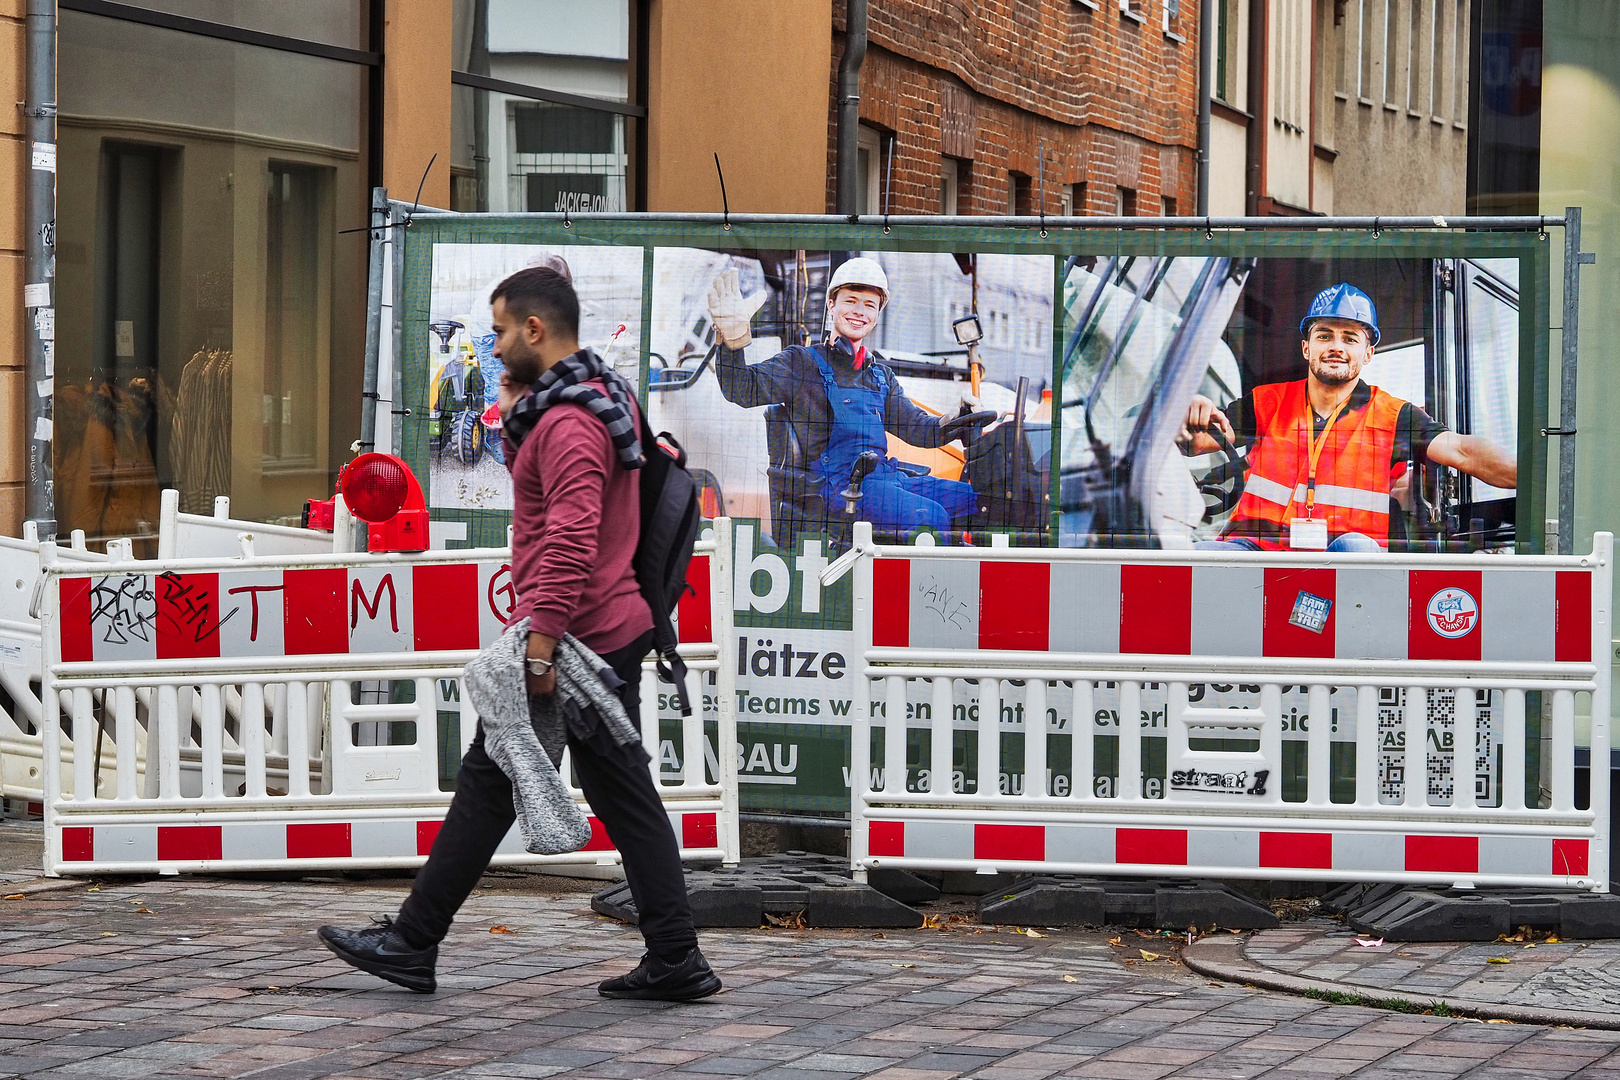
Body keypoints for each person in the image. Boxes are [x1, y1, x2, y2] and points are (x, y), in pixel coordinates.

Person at [318, 267, 720, 1002]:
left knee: (519, 782)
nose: (495, 347)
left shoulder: (568, 423)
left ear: (536, 330)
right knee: (521, 783)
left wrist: (541, 645)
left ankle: (417, 941)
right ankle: (669, 957)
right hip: (600, 629)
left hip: (579, 639)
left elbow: (569, 539)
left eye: (503, 330)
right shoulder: (597, 396)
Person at [1180, 282, 1517, 552]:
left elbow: (1462, 451)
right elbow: (1195, 442)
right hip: (1257, 549)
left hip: (1346, 555)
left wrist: (1536, 478)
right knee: (1203, 557)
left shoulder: (1394, 415)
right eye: (1324, 335)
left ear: (1367, 353)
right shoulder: (1267, 402)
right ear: (1306, 348)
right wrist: (1188, 407)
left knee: (1356, 548)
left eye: (1350, 338)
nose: (1336, 346)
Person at [706, 256, 991, 535]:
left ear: (877, 315)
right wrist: (732, 342)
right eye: (850, 301)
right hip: (839, 487)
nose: (859, 311)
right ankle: (931, 583)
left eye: (869, 305)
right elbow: (741, 388)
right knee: (929, 517)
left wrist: (955, 419)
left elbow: (919, 430)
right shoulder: (801, 363)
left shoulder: (880, 376)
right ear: (831, 304)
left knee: (983, 501)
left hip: (885, 478)